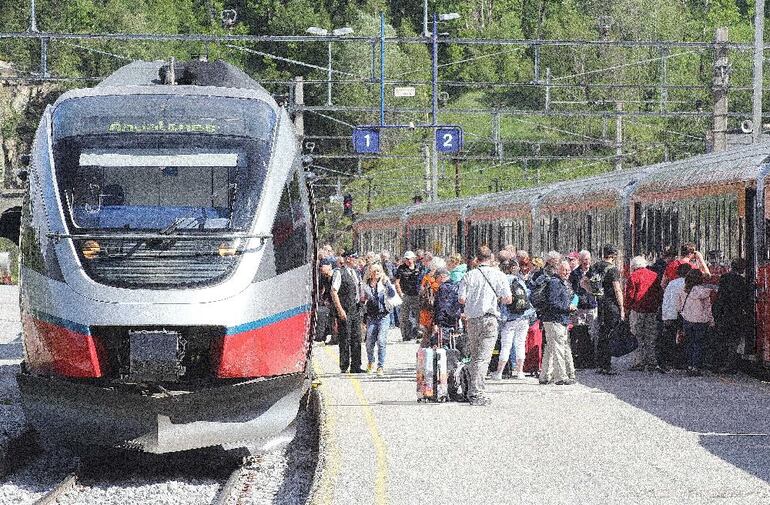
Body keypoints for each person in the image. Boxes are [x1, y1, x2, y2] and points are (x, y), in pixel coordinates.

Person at [458, 246, 513, 406]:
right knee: (483, 358)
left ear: (477, 259)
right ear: (491, 258)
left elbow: (461, 299)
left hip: (472, 320)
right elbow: (508, 299)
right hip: (489, 319)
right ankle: (477, 393)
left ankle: (469, 388)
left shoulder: (468, 275)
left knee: (475, 357)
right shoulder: (499, 275)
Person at [584, 244, 624, 376]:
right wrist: (622, 308)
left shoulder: (595, 266)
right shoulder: (613, 269)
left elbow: (583, 282)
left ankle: (601, 363)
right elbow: (617, 289)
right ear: (613, 255)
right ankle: (607, 364)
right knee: (610, 333)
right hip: (611, 304)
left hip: (599, 302)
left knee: (601, 333)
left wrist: (593, 292)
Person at [493, 259, 535, 380]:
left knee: (506, 345)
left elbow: (501, 299)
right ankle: (520, 371)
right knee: (520, 344)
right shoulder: (519, 280)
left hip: (509, 318)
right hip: (524, 316)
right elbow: (527, 295)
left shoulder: (502, 280)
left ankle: (499, 372)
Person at [539, 259, 578, 385]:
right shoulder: (555, 283)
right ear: (558, 270)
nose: (567, 272)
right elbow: (553, 303)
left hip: (554, 319)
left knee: (550, 348)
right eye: (564, 269)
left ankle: (544, 376)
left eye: (568, 270)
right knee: (559, 348)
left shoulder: (560, 283)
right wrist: (568, 308)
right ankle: (560, 377)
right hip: (555, 319)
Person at [712, 258, 753, 373]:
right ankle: (730, 365)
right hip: (735, 314)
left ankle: (720, 363)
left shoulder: (724, 278)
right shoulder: (741, 281)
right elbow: (744, 299)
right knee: (733, 340)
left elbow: (720, 296)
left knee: (723, 339)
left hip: (723, 313)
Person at [626, 256, 662, 371]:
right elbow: (659, 293)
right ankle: (651, 361)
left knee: (637, 336)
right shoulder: (654, 275)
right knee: (650, 336)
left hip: (638, 310)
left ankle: (639, 362)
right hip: (652, 310)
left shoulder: (633, 276)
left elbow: (630, 296)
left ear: (634, 266)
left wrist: (626, 309)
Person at [330, 251, 365, 373]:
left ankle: (356, 365)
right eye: (354, 258)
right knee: (345, 337)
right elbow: (334, 292)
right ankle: (344, 365)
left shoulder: (356, 273)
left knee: (357, 337)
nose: (356, 260)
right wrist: (340, 310)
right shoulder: (339, 272)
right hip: (345, 309)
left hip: (356, 308)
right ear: (348, 259)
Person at [678, 269, 714, 376]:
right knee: (699, 344)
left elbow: (679, 306)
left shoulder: (683, 290)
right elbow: (708, 308)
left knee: (689, 343)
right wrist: (711, 320)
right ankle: (696, 367)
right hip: (701, 321)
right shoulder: (704, 292)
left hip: (687, 320)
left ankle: (689, 366)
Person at [362, 264, 394, 376]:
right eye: (374, 271)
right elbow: (362, 299)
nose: (376, 273)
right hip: (371, 317)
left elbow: (392, 294)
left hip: (384, 316)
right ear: (370, 272)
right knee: (369, 342)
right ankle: (371, 362)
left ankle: (380, 366)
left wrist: (387, 284)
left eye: (378, 271)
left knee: (381, 341)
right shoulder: (365, 285)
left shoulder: (384, 283)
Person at [659, 262, 692, 371]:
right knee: (682, 339)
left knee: (670, 338)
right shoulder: (687, 284)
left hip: (669, 314)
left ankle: (668, 362)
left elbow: (666, 299)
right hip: (681, 315)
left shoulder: (672, 283)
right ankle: (680, 362)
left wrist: (665, 315)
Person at [569, 250, 598, 363]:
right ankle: (580, 358)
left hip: (592, 305)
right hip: (580, 306)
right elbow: (572, 290)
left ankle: (593, 358)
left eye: (588, 259)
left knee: (593, 332)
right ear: (580, 260)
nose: (586, 262)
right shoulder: (574, 274)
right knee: (580, 332)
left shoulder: (594, 271)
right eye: (584, 259)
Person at [395, 251, 422, 341]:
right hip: (405, 295)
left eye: (410, 258)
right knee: (404, 317)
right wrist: (400, 294)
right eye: (407, 259)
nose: (409, 261)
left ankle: (419, 333)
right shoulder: (401, 268)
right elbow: (397, 282)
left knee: (419, 316)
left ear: (414, 258)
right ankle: (405, 335)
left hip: (417, 295)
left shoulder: (419, 267)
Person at [418, 257, 445, 340]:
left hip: (427, 306)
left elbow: (421, 291)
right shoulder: (439, 278)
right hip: (436, 306)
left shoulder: (426, 277)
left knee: (427, 332)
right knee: (436, 331)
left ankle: (423, 351)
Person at [432, 267, 461, 345]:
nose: (435, 280)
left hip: (444, 321)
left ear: (441, 276)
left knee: (442, 344)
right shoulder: (456, 286)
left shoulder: (443, 288)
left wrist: (437, 323)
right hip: (455, 319)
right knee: (453, 343)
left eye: (436, 277)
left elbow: (441, 307)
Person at [316, 257, 337, 343]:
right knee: (332, 320)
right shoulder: (324, 277)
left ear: (329, 266)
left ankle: (336, 337)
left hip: (338, 300)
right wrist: (324, 299)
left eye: (323, 267)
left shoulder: (335, 276)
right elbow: (324, 290)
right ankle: (333, 337)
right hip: (330, 301)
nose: (321, 269)